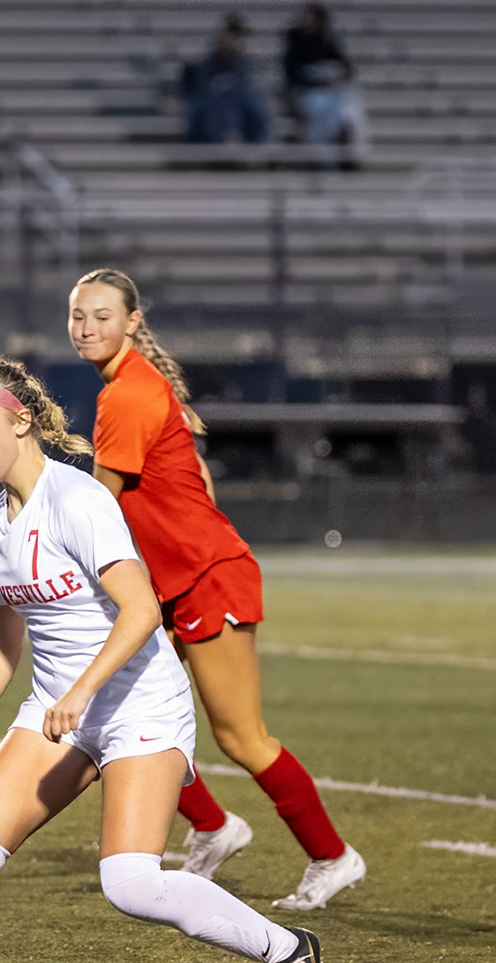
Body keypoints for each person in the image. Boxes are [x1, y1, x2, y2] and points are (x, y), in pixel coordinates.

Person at [0, 356, 325, 963]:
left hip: (139, 706)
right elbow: (1, 643)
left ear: (21, 422)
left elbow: (141, 609)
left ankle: (288, 951)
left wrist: (82, 691)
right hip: (60, 708)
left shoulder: (78, 500)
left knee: (130, 883)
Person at [67, 267, 365, 910]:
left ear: (132, 322)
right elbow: (193, 478)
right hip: (175, 582)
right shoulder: (131, 387)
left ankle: (332, 856)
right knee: (116, 713)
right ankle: (212, 826)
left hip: (205, 578)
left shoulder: (127, 395)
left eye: (101, 316)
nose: (86, 328)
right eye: (78, 316)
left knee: (240, 737)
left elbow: (98, 506)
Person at [283, 4, 365, 153]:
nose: (306, 20)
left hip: (329, 90)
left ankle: (349, 145)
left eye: (310, 17)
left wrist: (337, 75)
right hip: (306, 91)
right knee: (321, 108)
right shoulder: (294, 40)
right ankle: (322, 150)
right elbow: (292, 73)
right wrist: (316, 79)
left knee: (348, 103)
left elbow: (344, 64)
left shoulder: (327, 39)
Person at [181, 13, 268, 145]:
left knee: (252, 104)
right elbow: (200, 82)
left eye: (236, 35)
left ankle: (249, 136)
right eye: (230, 34)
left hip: (237, 98)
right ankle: (226, 134)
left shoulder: (242, 60)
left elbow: (246, 84)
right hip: (212, 97)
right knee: (218, 103)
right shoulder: (210, 58)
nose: (233, 39)